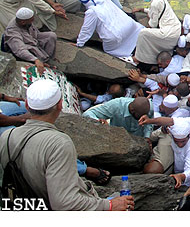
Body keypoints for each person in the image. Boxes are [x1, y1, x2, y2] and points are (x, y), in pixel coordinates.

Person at [0, 80, 133, 210]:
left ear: (27, 105)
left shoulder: (6, 136)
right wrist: (109, 205)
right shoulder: (59, 142)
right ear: (60, 105)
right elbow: (64, 203)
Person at [76, 0, 143, 58]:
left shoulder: (91, 12)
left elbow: (86, 30)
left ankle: (130, 54)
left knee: (109, 49)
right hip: (129, 25)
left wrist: (79, 43)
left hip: (115, 36)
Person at [132, 0, 181, 66]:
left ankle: (138, 58)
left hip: (169, 33)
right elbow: (154, 11)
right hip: (176, 29)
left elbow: (153, 24)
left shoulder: (155, 3)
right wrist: (142, 9)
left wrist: (147, 28)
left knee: (143, 33)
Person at [3, 7, 56, 75]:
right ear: (23, 22)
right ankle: (43, 62)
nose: (33, 21)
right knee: (33, 49)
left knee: (51, 36)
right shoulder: (12, 32)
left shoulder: (25, 22)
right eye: (31, 20)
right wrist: (35, 60)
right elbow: (20, 50)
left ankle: (48, 59)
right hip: (23, 48)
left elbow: (36, 32)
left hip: (32, 39)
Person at [83, 97, 154, 138]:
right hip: (116, 137)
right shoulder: (116, 105)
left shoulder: (148, 107)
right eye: (140, 116)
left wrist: (147, 137)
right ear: (132, 111)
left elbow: (149, 122)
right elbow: (87, 113)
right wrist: (98, 122)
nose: (144, 118)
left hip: (139, 139)